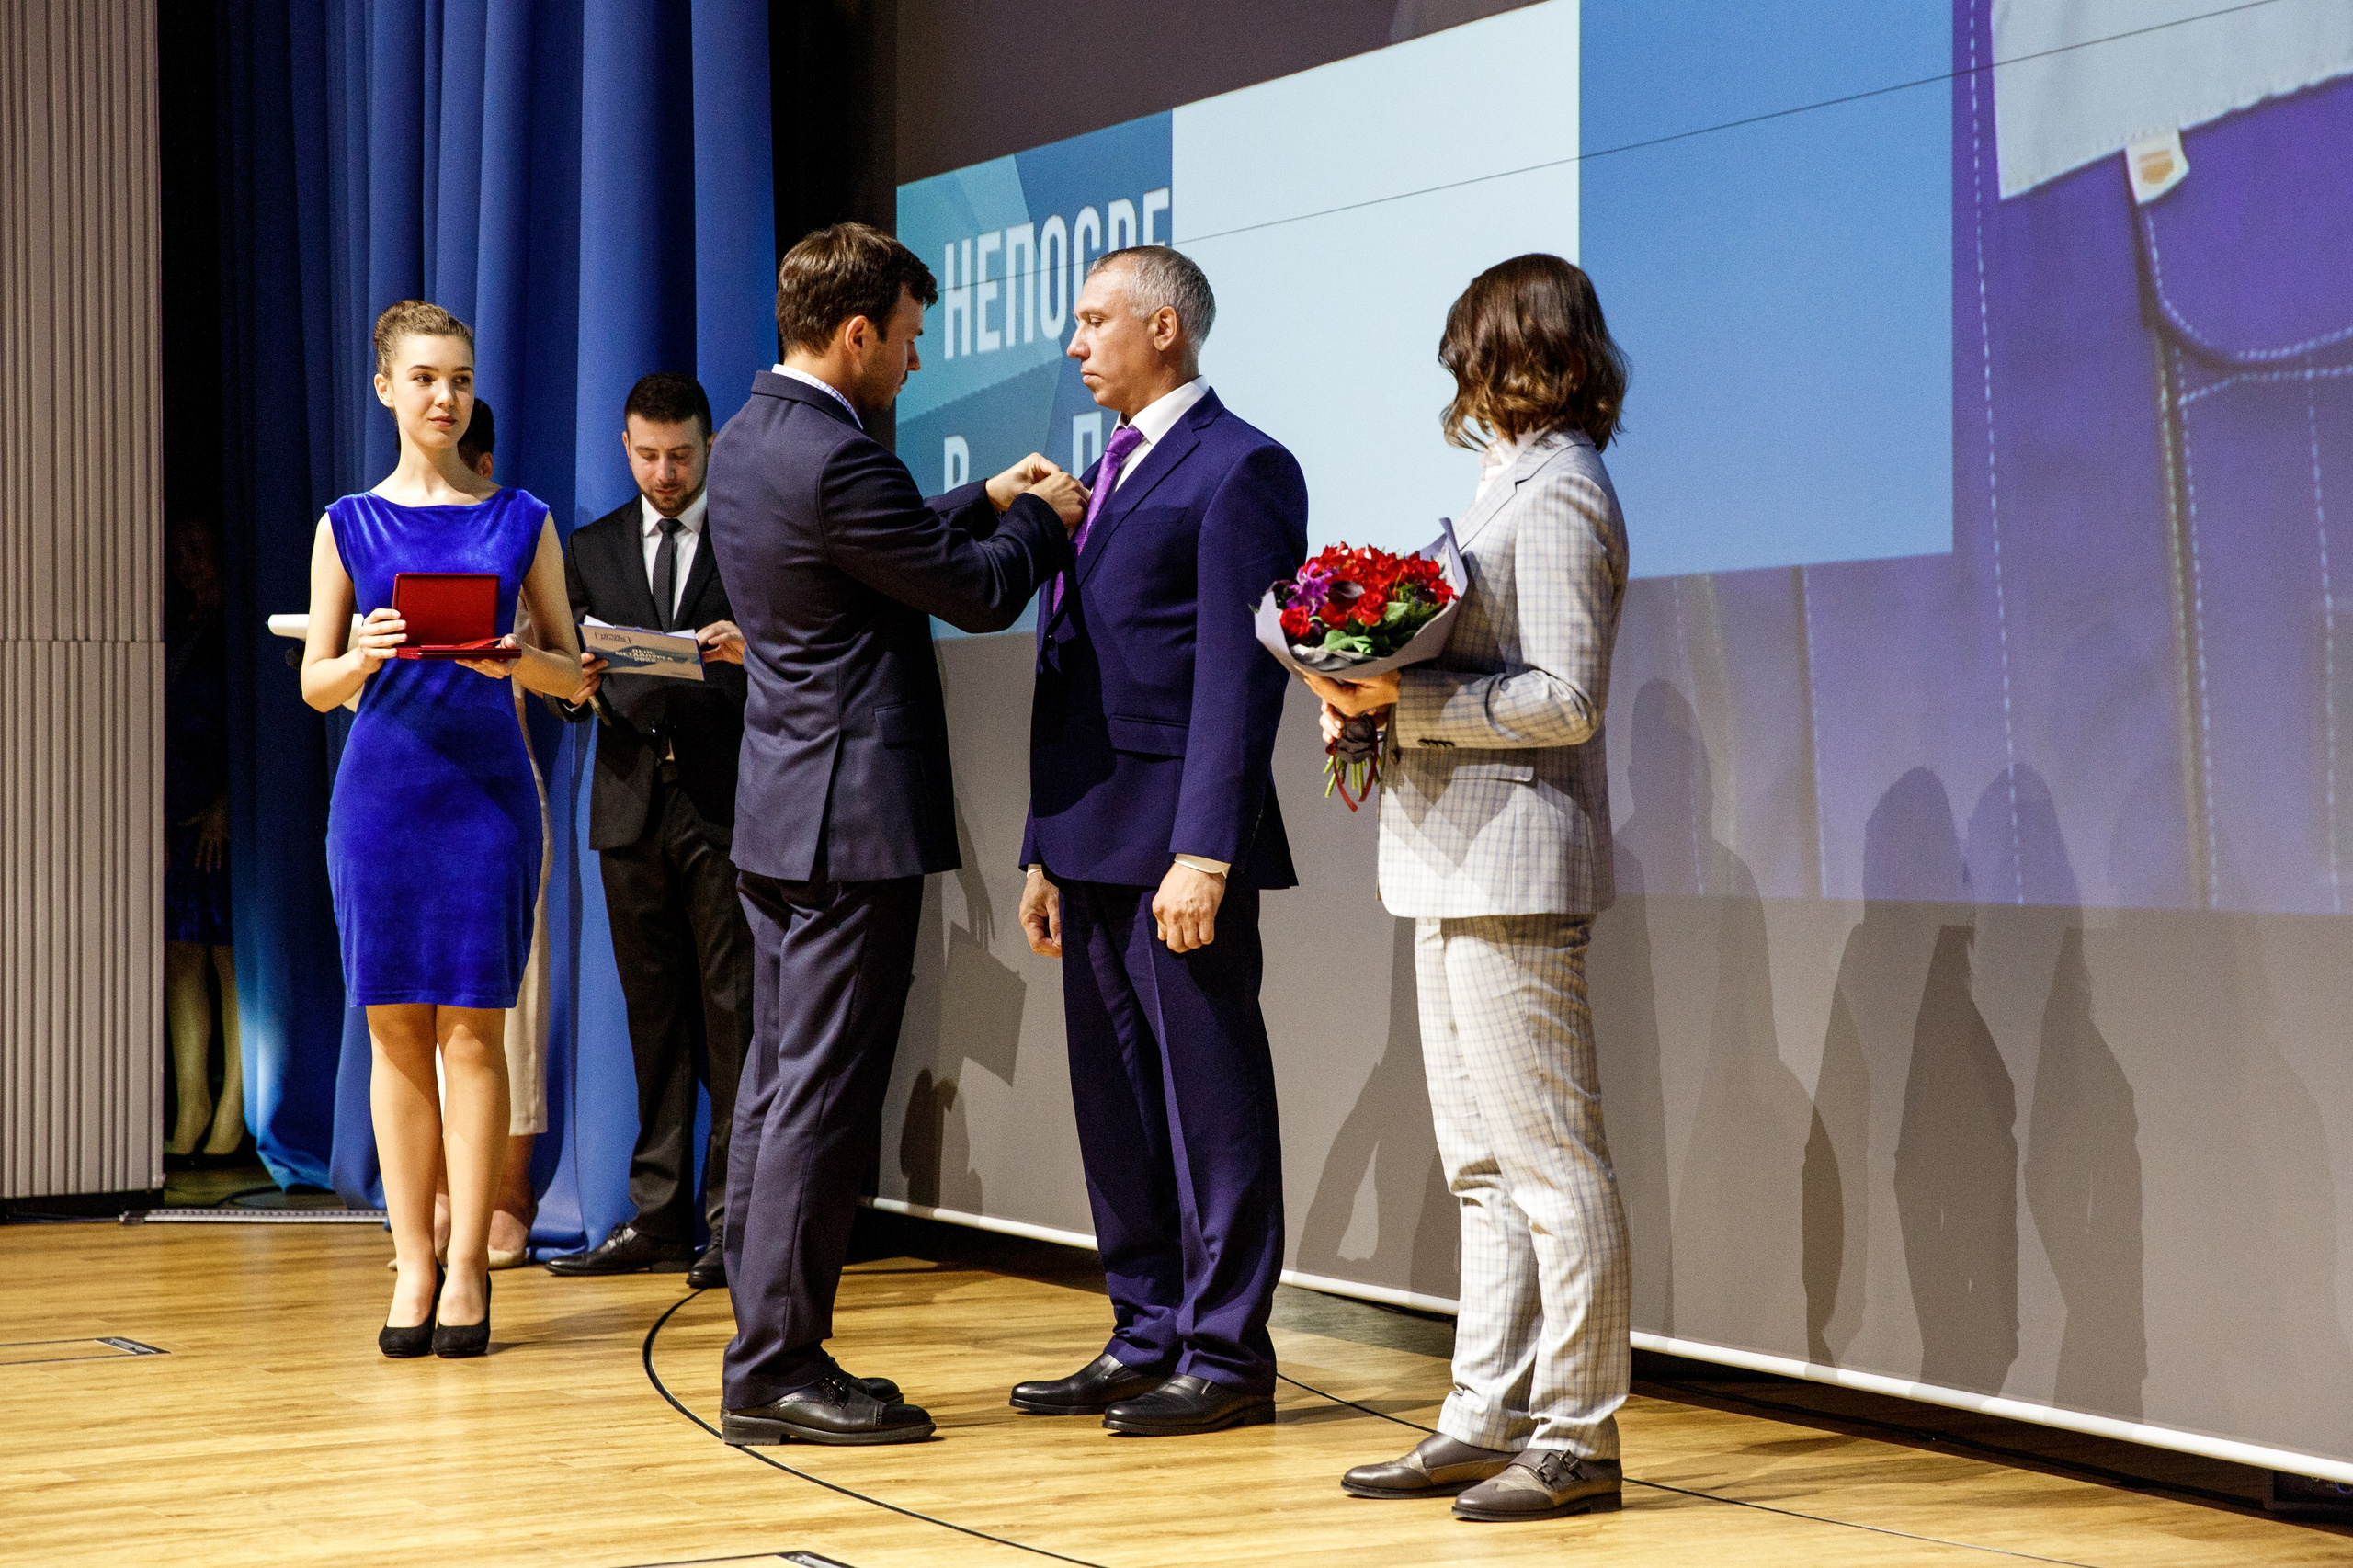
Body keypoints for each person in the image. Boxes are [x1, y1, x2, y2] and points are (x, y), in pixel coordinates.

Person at [705, 221, 1085, 1446]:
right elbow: (972, 590)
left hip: (781, 816)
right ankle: (777, 1361)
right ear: (859, 333)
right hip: (846, 824)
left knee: (775, 1089)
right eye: (911, 340)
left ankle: (765, 1340)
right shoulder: (837, 454)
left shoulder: (754, 436)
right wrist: (1045, 517)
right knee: (817, 1098)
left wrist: (978, 492)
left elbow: (874, 534)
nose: (916, 364)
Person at [1308, 255, 1633, 1521]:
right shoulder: (1505, 480)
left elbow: (1566, 696)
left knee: (1554, 1165)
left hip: (1515, 861)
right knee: (1484, 1170)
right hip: (1451, 861)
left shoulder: (1563, 492)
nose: (1458, 375)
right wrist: (1369, 715)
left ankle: (1578, 1430)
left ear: (1518, 353)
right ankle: (1477, 1414)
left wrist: (1409, 699)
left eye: (1470, 351)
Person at [1011, 247, 1307, 1437]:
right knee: (1115, 1103)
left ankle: (1228, 1353)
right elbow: (1067, 666)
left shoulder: (1242, 469)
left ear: (1166, 328)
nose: (1076, 344)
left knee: (1212, 1099)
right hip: (1086, 839)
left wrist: (1209, 849)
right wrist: (1040, 843)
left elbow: (1242, 683)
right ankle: (1146, 1330)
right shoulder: (1099, 473)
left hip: (1177, 848)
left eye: (1094, 322)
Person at [300, 301, 591, 1358]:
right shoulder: (348, 522)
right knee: (393, 1033)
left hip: (485, 797)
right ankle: (411, 1260)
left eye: (460, 379)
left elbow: (576, 676)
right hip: (382, 798)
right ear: (385, 387)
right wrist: (363, 656)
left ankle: (469, 1264)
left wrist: (519, 659)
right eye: (424, 378)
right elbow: (314, 684)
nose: (445, 397)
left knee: (473, 1029)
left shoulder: (522, 516)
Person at [543, 372, 750, 1291]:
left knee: (733, 1018)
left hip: (725, 802)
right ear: (624, 448)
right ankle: (658, 1213)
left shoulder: (747, 540)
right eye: (648, 455)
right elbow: (568, 696)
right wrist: (571, 685)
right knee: (652, 1021)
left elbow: (789, 665)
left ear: (708, 447)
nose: (665, 472)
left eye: (681, 455)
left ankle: (733, 1221)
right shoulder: (588, 548)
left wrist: (746, 653)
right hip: (629, 807)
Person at [163, 514, 244, 1163]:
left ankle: (234, 1112)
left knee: (229, 959)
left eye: (198, 547)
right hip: (179, 809)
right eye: (179, 552)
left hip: (227, 815)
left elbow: (249, 729)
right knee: (182, 954)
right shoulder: (184, 629)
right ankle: (191, 1102)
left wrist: (227, 802)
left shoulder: (236, 633)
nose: (188, 562)